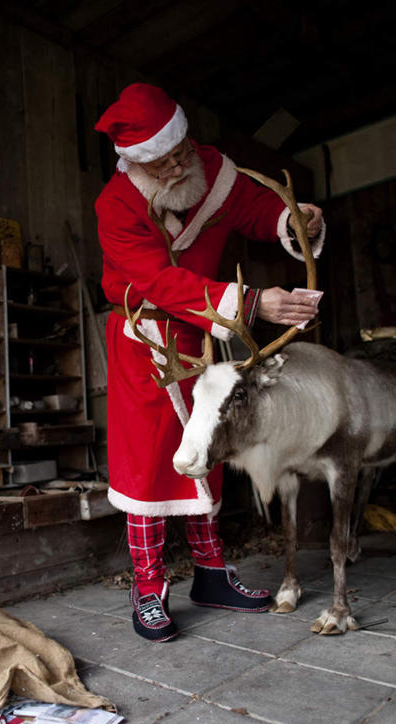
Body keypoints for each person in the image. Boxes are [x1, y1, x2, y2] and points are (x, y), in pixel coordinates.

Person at [94, 83, 324, 642]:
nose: (177, 168)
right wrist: (251, 303)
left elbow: (253, 206)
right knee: (147, 464)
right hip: (143, 339)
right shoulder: (114, 207)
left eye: (181, 153)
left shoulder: (211, 169)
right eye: (163, 163)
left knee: (209, 446)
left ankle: (211, 574)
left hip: (199, 338)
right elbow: (160, 282)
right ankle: (147, 587)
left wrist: (292, 224)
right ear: (136, 163)